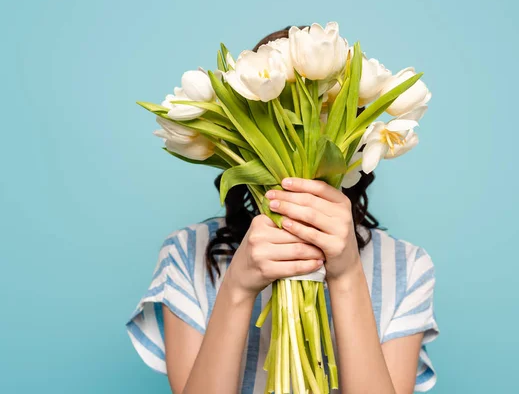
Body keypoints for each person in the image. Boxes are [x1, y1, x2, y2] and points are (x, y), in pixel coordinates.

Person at [126, 26, 439, 394]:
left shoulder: (408, 267)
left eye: (326, 111)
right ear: (240, 132)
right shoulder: (186, 254)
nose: (302, 138)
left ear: (356, 128)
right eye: (271, 120)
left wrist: (347, 274)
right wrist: (239, 287)